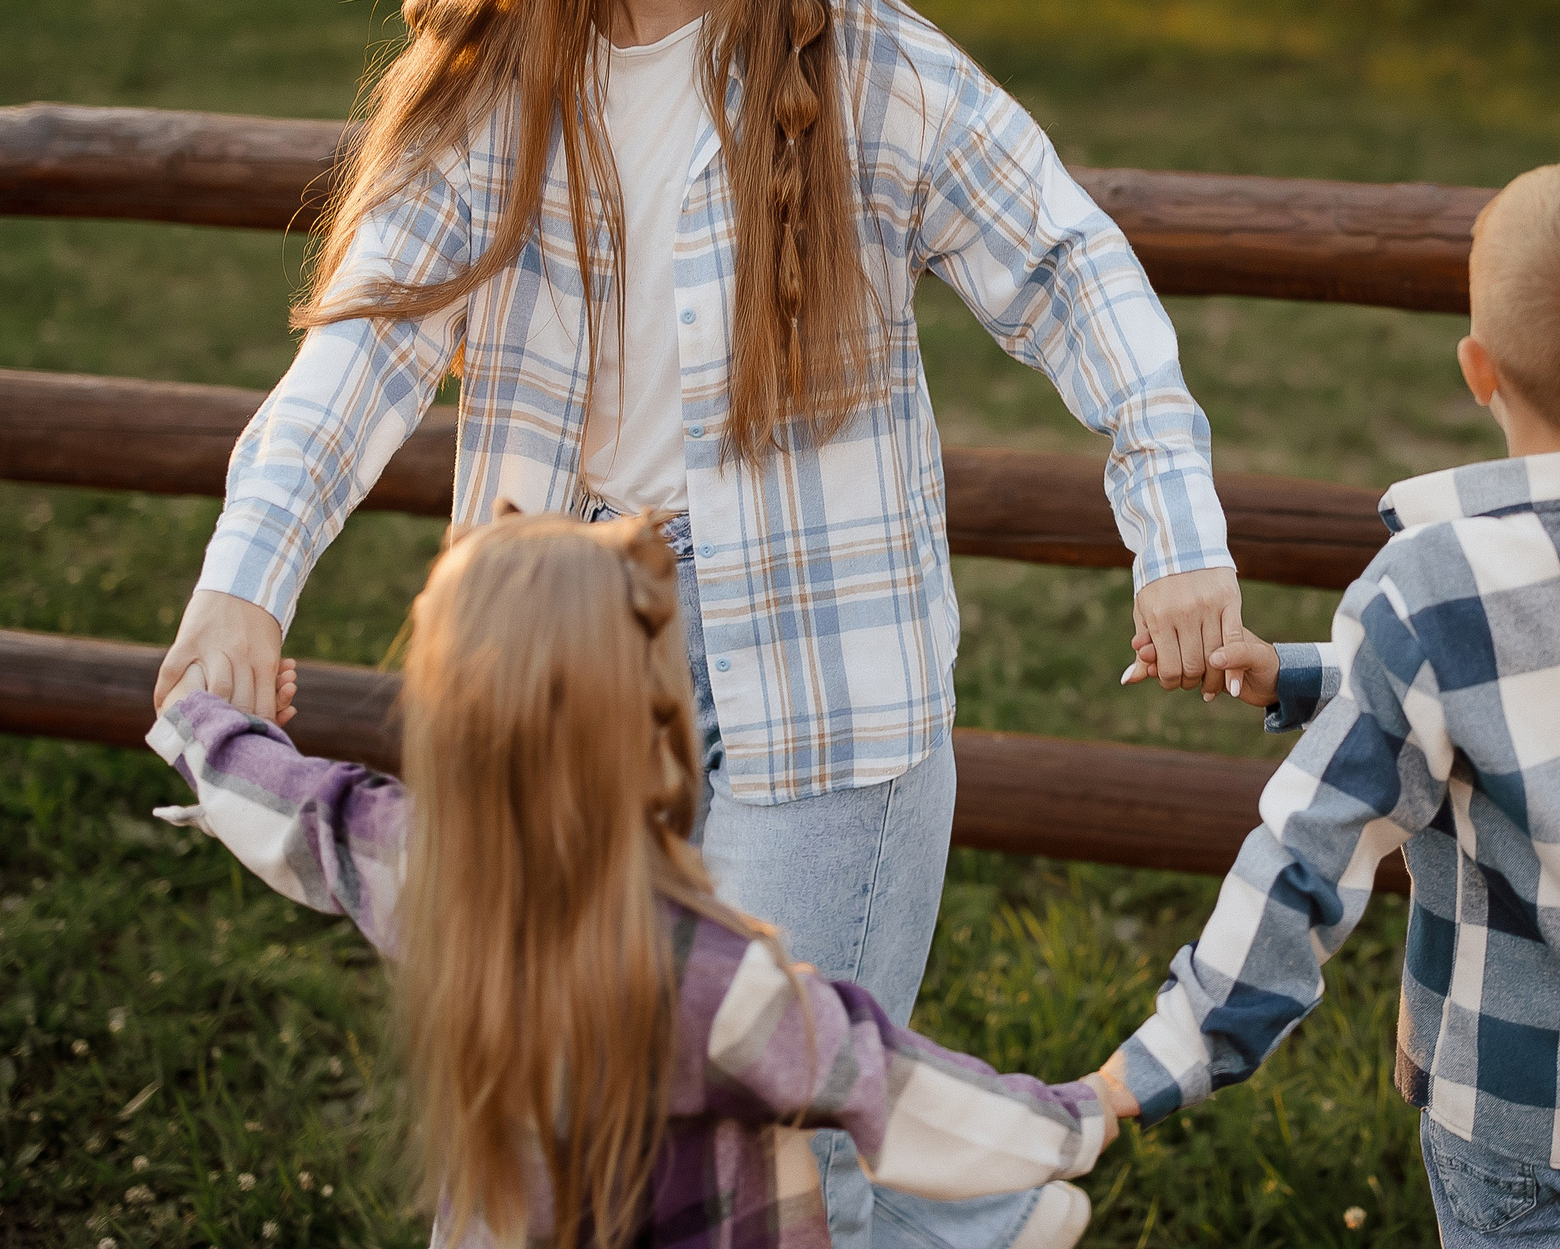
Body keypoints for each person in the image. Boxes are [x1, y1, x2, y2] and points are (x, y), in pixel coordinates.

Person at [152, 0, 1240, 1248]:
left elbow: (1076, 267)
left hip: (826, 676)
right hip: (564, 666)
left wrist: (1182, 529)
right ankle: (994, 1227)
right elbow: (365, 348)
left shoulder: (859, 55)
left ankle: (982, 1219)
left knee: (794, 1143)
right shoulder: (494, 84)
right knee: (552, 1123)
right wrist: (246, 578)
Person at [1100, 164, 1560, 1248]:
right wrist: (1305, 676)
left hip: (1514, 1108)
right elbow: (1549, 681)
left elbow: (1308, 858)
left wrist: (1154, 1065)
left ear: (1475, 368)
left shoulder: (1429, 593)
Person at [149, 510, 1118, 1249]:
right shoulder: (707, 973)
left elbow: (290, 805)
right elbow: (886, 1086)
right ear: (653, 728)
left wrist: (202, 721)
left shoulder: (420, 863)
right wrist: (1087, 1114)